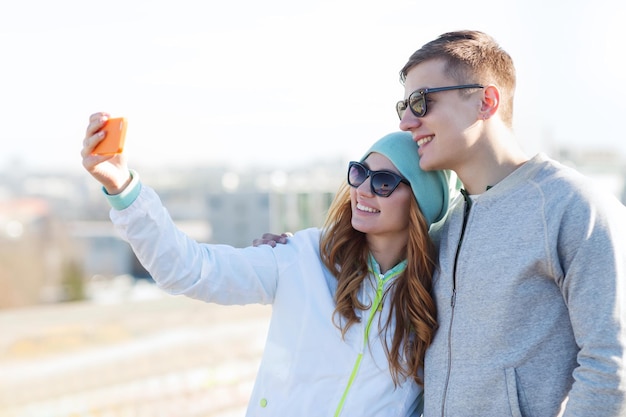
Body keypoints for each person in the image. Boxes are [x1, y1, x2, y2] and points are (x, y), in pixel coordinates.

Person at [258, 30, 626, 416]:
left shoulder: (575, 207)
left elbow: (611, 363)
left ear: (486, 101)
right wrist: (301, 251)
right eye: (403, 106)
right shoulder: (445, 226)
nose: (405, 122)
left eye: (421, 102)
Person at [81, 116, 455, 416]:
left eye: (385, 181)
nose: (363, 189)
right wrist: (123, 189)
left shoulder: (437, 293)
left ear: (421, 203)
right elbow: (189, 270)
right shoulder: (304, 257)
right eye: (360, 173)